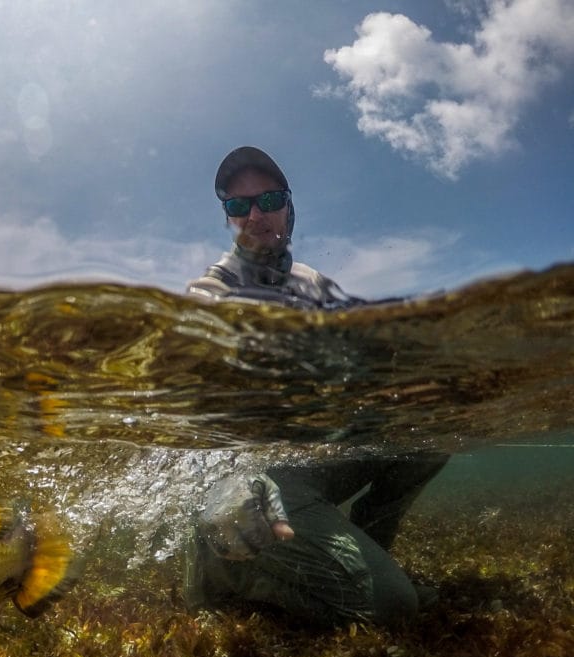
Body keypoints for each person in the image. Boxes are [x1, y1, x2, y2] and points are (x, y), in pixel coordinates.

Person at [183, 146, 447, 626]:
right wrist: (227, 476)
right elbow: (197, 387)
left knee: (429, 428)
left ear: (290, 205)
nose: (256, 214)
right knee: (392, 608)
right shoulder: (216, 289)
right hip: (257, 477)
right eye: (238, 206)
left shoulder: (312, 282)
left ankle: (367, 552)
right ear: (228, 219)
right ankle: (229, 572)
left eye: (270, 198)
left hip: (311, 457)